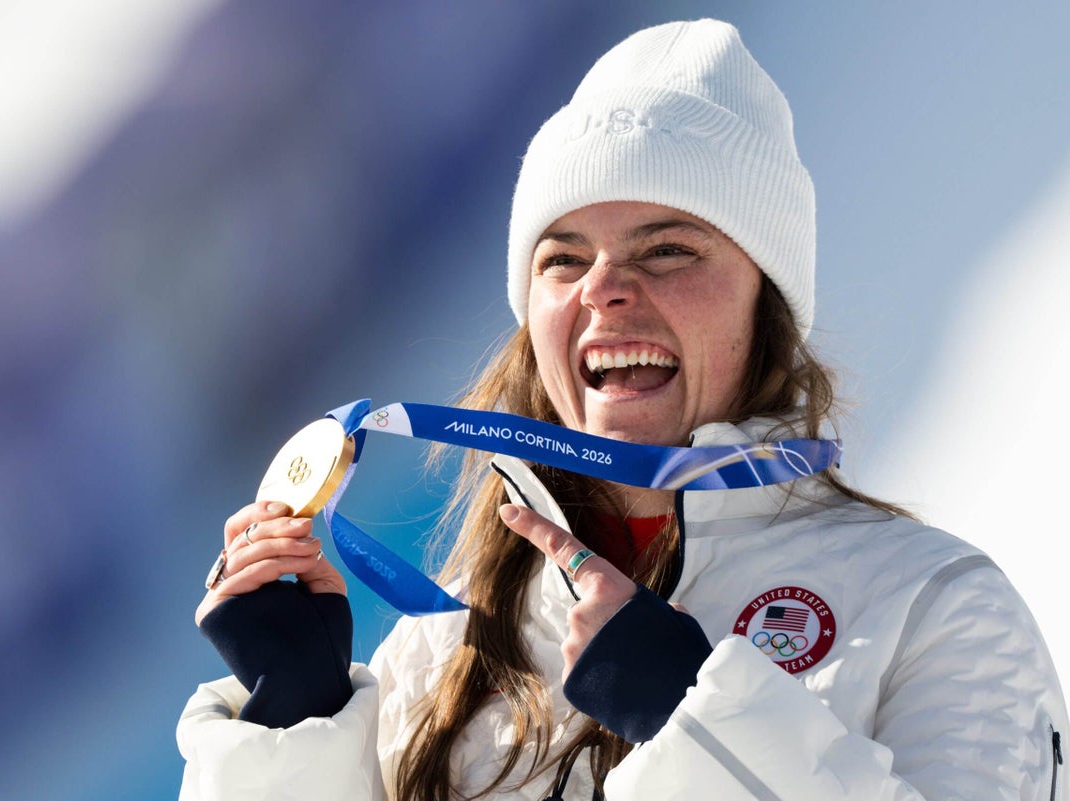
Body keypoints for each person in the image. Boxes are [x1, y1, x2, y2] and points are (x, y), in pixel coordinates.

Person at [177, 19, 1068, 801]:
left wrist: (695, 724)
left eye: (668, 249)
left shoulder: (933, 609)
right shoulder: (442, 651)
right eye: (564, 259)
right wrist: (294, 730)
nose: (603, 288)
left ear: (766, 301)